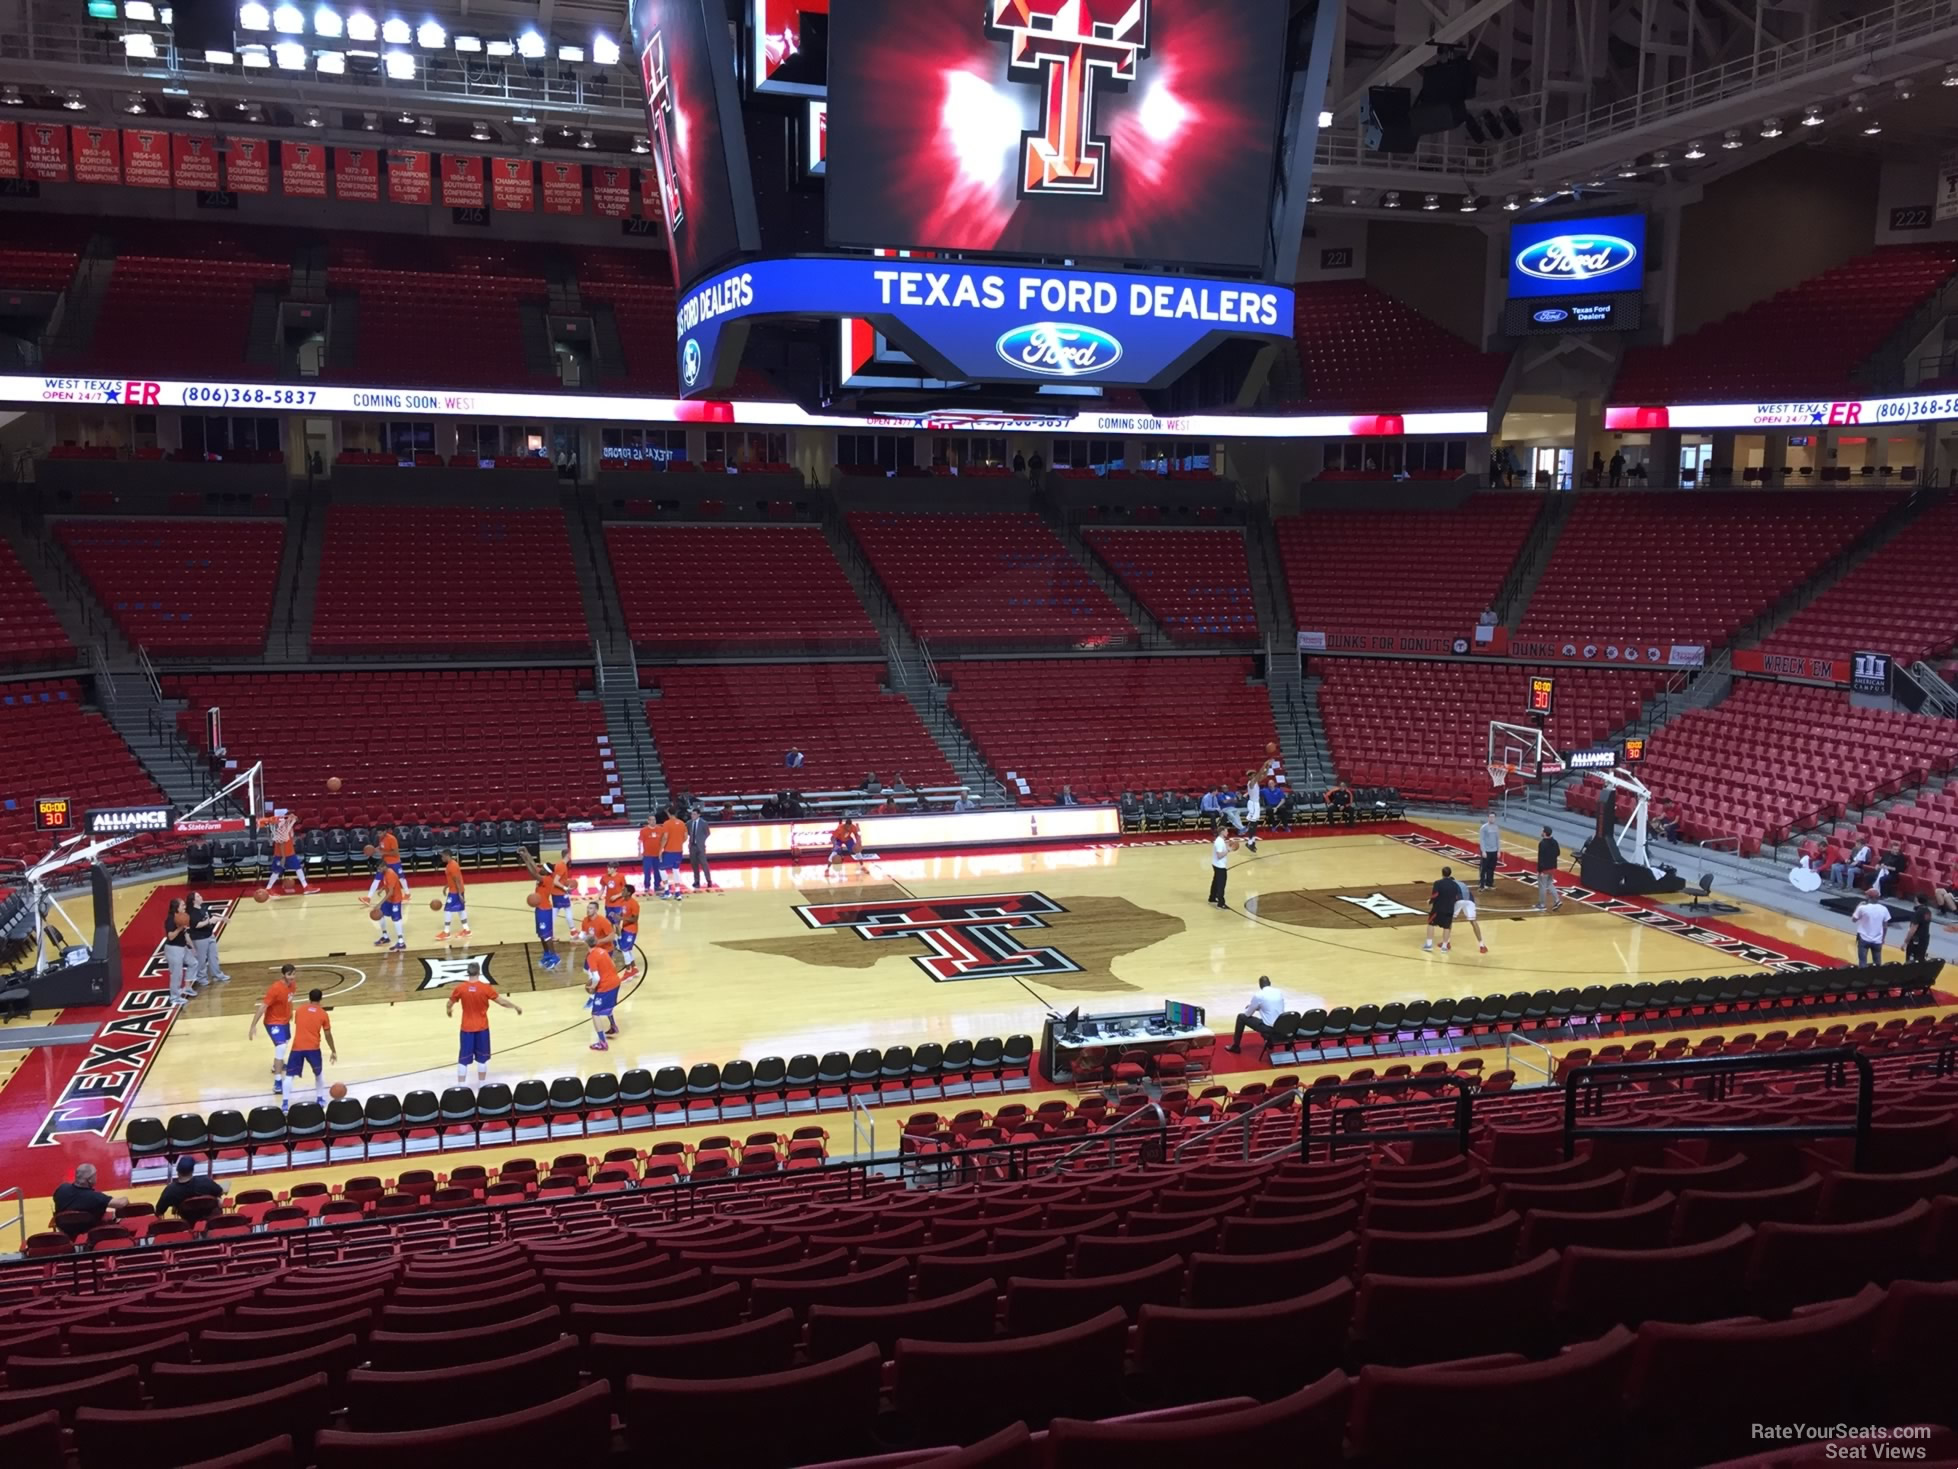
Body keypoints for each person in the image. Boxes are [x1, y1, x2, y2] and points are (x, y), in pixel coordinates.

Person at [448, 960, 521, 1083]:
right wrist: (515, 1006)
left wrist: (448, 1010)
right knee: (482, 1059)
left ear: (467, 972)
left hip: (466, 1029)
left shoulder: (460, 988)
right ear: (479, 972)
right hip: (482, 1028)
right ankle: (482, 1085)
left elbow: (450, 1002)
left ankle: (461, 1086)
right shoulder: (485, 988)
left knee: (463, 1060)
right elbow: (502, 1002)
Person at [247, 963, 299, 1099]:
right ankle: (277, 1082)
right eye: (290, 974)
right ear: (284, 975)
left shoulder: (293, 985)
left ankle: (276, 1065)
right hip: (273, 1022)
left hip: (284, 1021)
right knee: (281, 1047)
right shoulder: (275, 988)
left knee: (285, 1042)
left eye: (294, 974)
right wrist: (253, 1025)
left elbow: (289, 1000)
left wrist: (290, 1012)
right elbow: (263, 1006)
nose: (292, 977)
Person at [285, 988, 336, 1106]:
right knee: (318, 1073)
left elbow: (300, 1024)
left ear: (309, 998)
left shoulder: (299, 1010)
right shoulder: (323, 1014)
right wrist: (333, 1050)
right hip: (313, 1047)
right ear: (321, 998)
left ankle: (285, 1104)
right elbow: (327, 1034)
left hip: (297, 1047)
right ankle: (320, 1099)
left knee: (289, 1076)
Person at [51, 1163, 126, 1237]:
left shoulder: (61, 1189)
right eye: (95, 1175)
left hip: (65, 1229)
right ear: (90, 1180)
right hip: (88, 1230)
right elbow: (120, 1204)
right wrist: (125, 1199)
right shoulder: (95, 1197)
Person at [1223, 975, 1286, 1053]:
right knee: (1266, 1018)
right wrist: (1258, 1007)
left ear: (1260, 985)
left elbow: (1248, 1014)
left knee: (1241, 1017)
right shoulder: (1278, 992)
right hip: (1281, 1026)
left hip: (1268, 1027)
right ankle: (1269, 1043)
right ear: (1270, 983)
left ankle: (1235, 1046)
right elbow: (1271, 1007)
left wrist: (1252, 1007)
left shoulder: (1259, 995)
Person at [156, 1155, 226, 1219]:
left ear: (177, 1170)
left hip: (188, 1222)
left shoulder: (170, 1190)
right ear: (192, 1170)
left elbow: (159, 1211)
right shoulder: (205, 1181)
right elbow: (220, 1192)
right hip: (209, 1220)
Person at [586, 943, 623, 1051]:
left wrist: (592, 987)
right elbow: (613, 965)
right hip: (616, 981)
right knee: (608, 1006)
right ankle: (613, 1027)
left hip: (606, 987)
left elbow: (596, 978)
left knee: (595, 1013)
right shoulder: (603, 951)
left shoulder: (591, 956)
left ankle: (602, 1043)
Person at [187, 889, 229, 986]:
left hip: (209, 935)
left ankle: (218, 974)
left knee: (213, 956)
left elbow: (210, 915)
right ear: (193, 901)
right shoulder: (192, 912)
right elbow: (196, 925)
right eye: (197, 896)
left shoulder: (202, 907)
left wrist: (222, 918)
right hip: (199, 938)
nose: (200, 897)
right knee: (201, 959)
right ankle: (201, 978)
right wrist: (209, 922)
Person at [366, 860, 406, 951]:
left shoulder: (390, 874)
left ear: (384, 866)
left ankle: (401, 942)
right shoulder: (385, 873)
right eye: (378, 868)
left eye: (379, 868)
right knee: (380, 914)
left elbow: (391, 892)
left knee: (396, 919)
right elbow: (388, 884)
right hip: (389, 900)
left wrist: (379, 904)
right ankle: (385, 937)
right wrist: (382, 888)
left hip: (395, 900)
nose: (378, 870)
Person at [163, 897, 195, 1005]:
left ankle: (186, 987)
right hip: (173, 949)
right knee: (176, 974)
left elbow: (186, 935)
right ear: (176, 908)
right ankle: (174, 997)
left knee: (193, 963)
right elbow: (170, 937)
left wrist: (192, 947)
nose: (185, 907)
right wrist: (180, 928)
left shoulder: (183, 917)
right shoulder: (171, 919)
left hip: (182, 947)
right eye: (183, 905)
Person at [265, 807, 306, 890]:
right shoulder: (281, 828)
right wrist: (283, 857)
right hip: (281, 855)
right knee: (276, 872)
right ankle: (268, 889)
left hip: (290, 853)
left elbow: (297, 820)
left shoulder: (287, 825)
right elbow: (281, 843)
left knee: (298, 868)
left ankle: (306, 886)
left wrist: (293, 817)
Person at [434, 849, 469, 943]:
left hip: (455, 891)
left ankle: (446, 932)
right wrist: (446, 887)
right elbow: (452, 879)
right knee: (461, 909)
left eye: (443, 856)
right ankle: (466, 929)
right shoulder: (450, 864)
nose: (441, 858)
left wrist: (459, 894)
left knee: (447, 909)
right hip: (455, 890)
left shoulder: (452, 866)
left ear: (447, 856)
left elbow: (457, 880)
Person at [530, 867, 561, 971]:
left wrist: (525, 860)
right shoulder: (544, 875)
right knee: (541, 935)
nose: (540, 869)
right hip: (539, 909)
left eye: (543, 868)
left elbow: (534, 874)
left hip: (545, 910)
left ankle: (554, 956)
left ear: (547, 871)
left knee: (547, 936)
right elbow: (533, 865)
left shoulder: (547, 879)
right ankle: (547, 954)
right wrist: (525, 855)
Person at [1424, 866, 1460, 953]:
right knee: (1446, 927)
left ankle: (1429, 945)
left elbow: (1435, 895)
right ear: (1450, 874)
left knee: (1431, 924)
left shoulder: (1438, 883)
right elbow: (1456, 897)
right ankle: (1444, 947)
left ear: (1442, 873)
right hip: (1449, 909)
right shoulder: (1455, 884)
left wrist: (1430, 901)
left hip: (1438, 908)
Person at [657, 806, 688, 901]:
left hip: (669, 851)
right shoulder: (682, 823)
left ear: (668, 813)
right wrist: (679, 843)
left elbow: (665, 837)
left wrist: (661, 849)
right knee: (676, 870)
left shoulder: (667, 823)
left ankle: (667, 892)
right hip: (679, 851)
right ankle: (677, 893)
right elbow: (686, 836)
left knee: (661, 869)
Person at [1208, 820, 1239, 910]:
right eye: (1226, 831)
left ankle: (1212, 898)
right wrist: (1228, 850)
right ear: (1222, 832)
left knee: (1215, 882)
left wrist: (1228, 844)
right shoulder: (1219, 842)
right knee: (1221, 884)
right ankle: (1220, 904)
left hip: (1215, 864)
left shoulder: (1220, 840)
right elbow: (1219, 855)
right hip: (1220, 866)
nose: (1227, 832)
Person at [1853, 894, 1891, 967]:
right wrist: (1883, 938)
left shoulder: (1862, 908)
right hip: (1877, 940)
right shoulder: (1884, 909)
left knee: (1862, 962)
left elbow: (1854, 919)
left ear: (1869, 898)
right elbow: (1885, 926)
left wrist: (1858, 906)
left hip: (1864, 938)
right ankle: (1877, 976)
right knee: (1877, 962)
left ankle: (1863, 977)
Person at [687, 805, 715, 891]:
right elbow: (689, 833)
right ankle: (697, 881)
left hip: (700, 846)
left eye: (694, 814)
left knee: (704, 864)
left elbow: (707, 833)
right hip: (692, 846)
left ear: (699, 815)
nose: (693, 816)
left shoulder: (704, 823)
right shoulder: (688, 823)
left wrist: (701, 840)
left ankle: (708, 880)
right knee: (694, 864)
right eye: (692, 814)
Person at [616, 885, 642, 977]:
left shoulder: (634, 904)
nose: (622, 891)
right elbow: (621, 914)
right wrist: (617, 922)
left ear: (629, 893)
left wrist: (621, 918)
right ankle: (634, 968)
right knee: (628, 949)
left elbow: (635, 919)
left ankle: (628, 971)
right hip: (625, 928)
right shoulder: (623, 902)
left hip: (631, 930)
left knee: (624, 950)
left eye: (624, 890)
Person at [1537, 827, 1564, 911]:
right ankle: (1557, 900)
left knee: (1542, 886)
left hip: (1545, 869)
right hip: (1553, 867)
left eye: (1542, 830)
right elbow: (1558, 853)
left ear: (1544, 833)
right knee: (1549, 883)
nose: (1540, 831)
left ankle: (1542, 904)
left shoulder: (1542, 843)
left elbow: (1540, 858)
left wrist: (1540, 870)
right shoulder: (1555, 842)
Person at [638, 814, 661, 897]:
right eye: (651, 820)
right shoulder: (644, 830)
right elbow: (640, 842)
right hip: (647, 855)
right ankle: (647, 886)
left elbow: (663, 841)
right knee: (647, 871)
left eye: (654, 819)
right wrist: (639, 852)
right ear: (648, 821)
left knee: (657, 871)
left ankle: (657, 885)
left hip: (657, 855)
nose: (653, 821)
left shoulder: (660, 829)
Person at [600, 863, 628, 928]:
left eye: (610, 868)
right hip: (608, 904)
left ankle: (619, 936)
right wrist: (597, 898)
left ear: (615, 869)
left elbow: (625, 891)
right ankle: (611, 936)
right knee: (609, 923)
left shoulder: (621, 877)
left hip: (618, 904)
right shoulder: (604, 877)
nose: (608, 869)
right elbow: (602, 889)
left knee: (617, 923)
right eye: (607, 868)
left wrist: (616, 896)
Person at [1477, 817, 1501, 890]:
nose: (1492, 818)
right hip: (1486, 851)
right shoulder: (1484, 827)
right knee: (1483, 869)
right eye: (1490, 817)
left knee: (1491, 868)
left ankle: (1489, 883)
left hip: (1494, 851)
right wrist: (1483, 851)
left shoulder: (1496, 827)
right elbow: (1482, 840)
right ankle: (1481, 884)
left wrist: (1499, 851)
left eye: (1493, 817)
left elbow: (1498, 840)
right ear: (1488, 818)